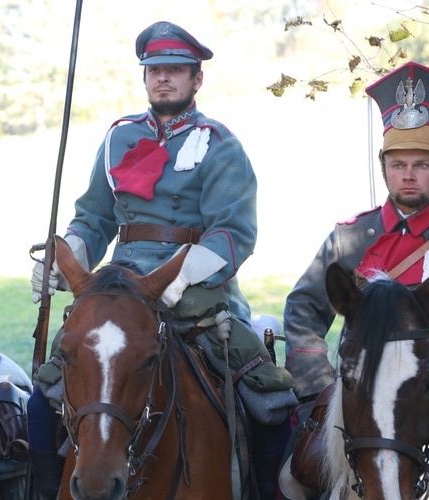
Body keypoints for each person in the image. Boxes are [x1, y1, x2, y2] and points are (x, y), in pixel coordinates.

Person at [28, 21, 295, 499]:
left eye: (175, 70)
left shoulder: (221, 144)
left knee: (269, 396)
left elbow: (234, 233)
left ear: (197, 79)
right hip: (120, 283)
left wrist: (183, 276)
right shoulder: (117, 138)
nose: (163, 79)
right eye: (155, 71)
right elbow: (92, 217)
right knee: (46, 391)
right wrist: (62, 262)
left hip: (198, 288)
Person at [282, 61, 429, 489]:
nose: (408, 174)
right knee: (292, 478)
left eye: (421, 164)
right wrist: (322, 386)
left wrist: (426, 374)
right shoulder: (349, 237)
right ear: (384, 167)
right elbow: (303, 308)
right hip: (357, 382)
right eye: (398, 164)